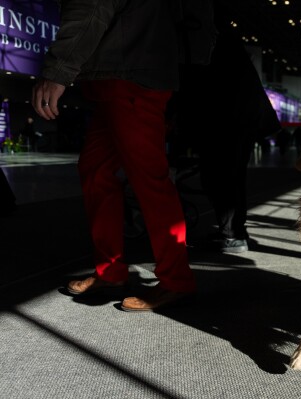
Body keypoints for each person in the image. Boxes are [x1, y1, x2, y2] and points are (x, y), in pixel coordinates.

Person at [31, 0, 217, 311]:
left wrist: (58, 70)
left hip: (131, 72)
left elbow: (91, 7)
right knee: (96, 170)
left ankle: (176, 281)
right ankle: (111, 272)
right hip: (128, 70)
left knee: (149, 178)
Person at [174, 3, 281, 253]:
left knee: (220, 176)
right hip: (238, 117)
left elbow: (197, 83)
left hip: (225, 118)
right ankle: (234, 232)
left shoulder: (204, 38)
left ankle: (232, 235)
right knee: (231, 176)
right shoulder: (222, 37)